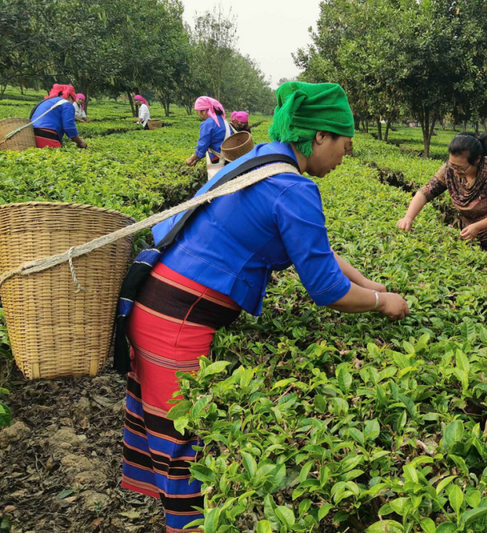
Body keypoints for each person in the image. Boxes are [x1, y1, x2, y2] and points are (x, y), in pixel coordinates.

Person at [120, 81, 410, 533]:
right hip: (174, 319)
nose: (345, 157)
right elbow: (326, 289)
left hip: (160, 303)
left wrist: (371, 282)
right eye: (344, 146)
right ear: (319, 137)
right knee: (184, 445)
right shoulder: (293, 188)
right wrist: (380, 302)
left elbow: (318, 251)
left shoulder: (262, 160)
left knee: (174, 432)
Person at [396, 132, 487, 262]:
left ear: (477, 160)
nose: (455, 171)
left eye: (460, 168)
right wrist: (408, 217)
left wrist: (478, 227)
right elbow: (425, 192)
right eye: (452, 165)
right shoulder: (449, 169)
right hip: (470, 228)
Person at [184, 96, 232, 180]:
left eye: (198, 112)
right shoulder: (225, 121)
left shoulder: (207, 124)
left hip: (217, 160)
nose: (198, 115)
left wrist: (191, 158)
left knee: (217, 185)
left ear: (204, 111)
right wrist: (197, 158)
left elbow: (203, 145)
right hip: (230, 159)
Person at [29, 84, 87, 149]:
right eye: (73, 100)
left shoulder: (45, 102)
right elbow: (69, 127)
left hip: (32, 136)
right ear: (70, 96)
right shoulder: (67, 104)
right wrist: (80, 142)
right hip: (48, 136)